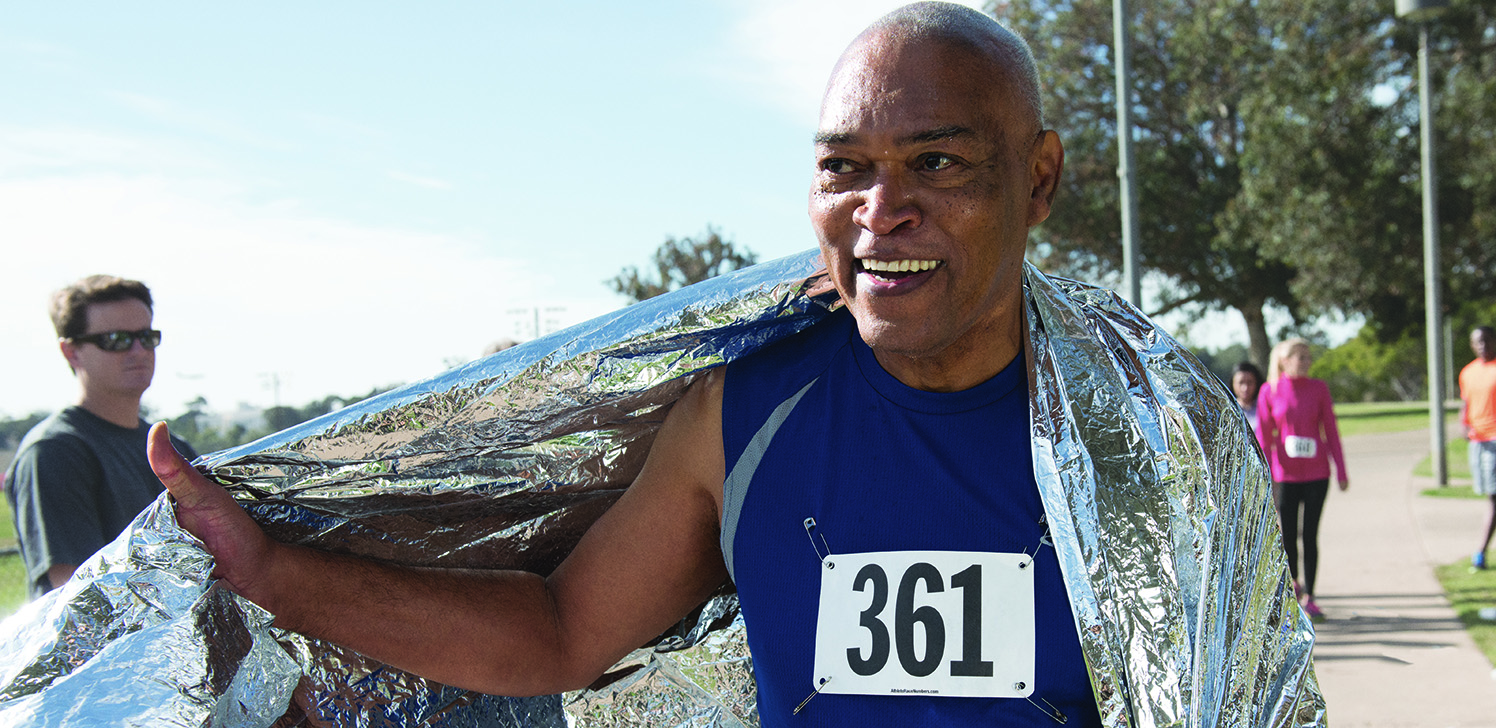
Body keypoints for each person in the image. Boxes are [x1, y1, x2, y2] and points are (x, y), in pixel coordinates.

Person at [145, 4, 1321, 725]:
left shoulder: (1156, 434)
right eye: (842, 167)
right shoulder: (745, 411)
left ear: (1039, 181)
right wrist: (269, 569)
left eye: (938, 164)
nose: (880, 211)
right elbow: (558, 631)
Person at [5, 275, 198, 598]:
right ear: (71, 352)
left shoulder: (173, 447)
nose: (138, 351)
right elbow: (79, 598)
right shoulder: (54, 453)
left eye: (147, 337)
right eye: (116, 339)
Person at [1257, 338, 1348, 619]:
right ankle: (1293, 588)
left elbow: (1330, 429)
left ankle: (1311, 595)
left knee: (1310, 534)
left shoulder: (1318, 388)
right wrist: (1265, 474)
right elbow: (1265, 437)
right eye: (1300, 357)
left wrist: (1341, 470)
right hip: (1285, 476)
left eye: (1308, 357)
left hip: (1317, 474)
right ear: (1284, 360)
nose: (1307, 362)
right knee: (1287, 535)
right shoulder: (1270, 390)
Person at [1460, 325, 1496, 569]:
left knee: (1493, 497)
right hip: (1477, 441)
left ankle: (1480, 551)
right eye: (1477, 342)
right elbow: (1466, 403)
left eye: (1485, 340)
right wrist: (1463, 424)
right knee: (1488, 494)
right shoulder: (1468, 372)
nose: (1482, 345)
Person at [1232, 361, 1265, 436]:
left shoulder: (1264, 408)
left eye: (1250, 383)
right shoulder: (1229, 409)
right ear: (1233, 383)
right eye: (1241, 382)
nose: (1245, 388)